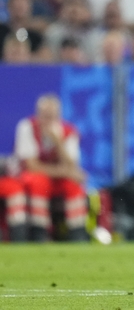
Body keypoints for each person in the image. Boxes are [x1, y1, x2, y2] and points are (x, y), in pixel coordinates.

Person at [14, 94, 87, 241]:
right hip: (32, 179)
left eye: (52, 116)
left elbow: (71, 164)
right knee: (39, 181)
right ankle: (39, 232)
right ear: (38, 114)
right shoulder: (27, 127)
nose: (48, 121)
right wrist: (65, 172)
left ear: (58, 116)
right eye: (45, 116)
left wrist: (58, 142)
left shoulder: (68, 131)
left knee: (73, 186)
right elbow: (31, 165)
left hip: (57, 180)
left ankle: (78, 232)